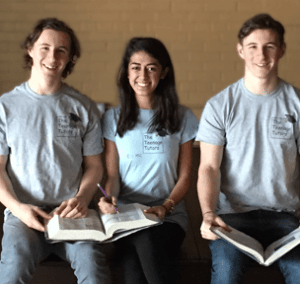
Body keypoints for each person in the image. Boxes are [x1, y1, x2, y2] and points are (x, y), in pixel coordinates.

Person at [0, 18, 110, 284]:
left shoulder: (84, 108)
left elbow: (95, 166)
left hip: (72, 215)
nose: (52, 56)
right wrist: (18, 208)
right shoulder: (5, 106)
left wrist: (83, 198)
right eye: (45, 47)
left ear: (70, 58)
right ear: (30, 49)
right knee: (11, 271)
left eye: (62, 50)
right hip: (24, 214)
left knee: (95, 273)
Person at [197, 13, 300, 284]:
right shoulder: (220, 105)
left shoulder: (297, 103)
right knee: (226, 273)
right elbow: (208, 167)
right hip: (232, 220)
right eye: (253, 46)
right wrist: (208, 214)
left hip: (286, 220)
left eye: (270, 46)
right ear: (241, 50)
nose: (261, 55)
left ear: (282, 50)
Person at [98, 37, 198, 284]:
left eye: (151, 67)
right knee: (133, 271)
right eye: (135, 67)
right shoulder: (112, 118)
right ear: (126, 72)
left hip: (168, 217)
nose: (143, 75)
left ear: (163, 73)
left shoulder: (182, 117)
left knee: (145, 243)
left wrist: (166, 206)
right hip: (125, 217)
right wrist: (108, 198)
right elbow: (112, 176)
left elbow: (186, 176)